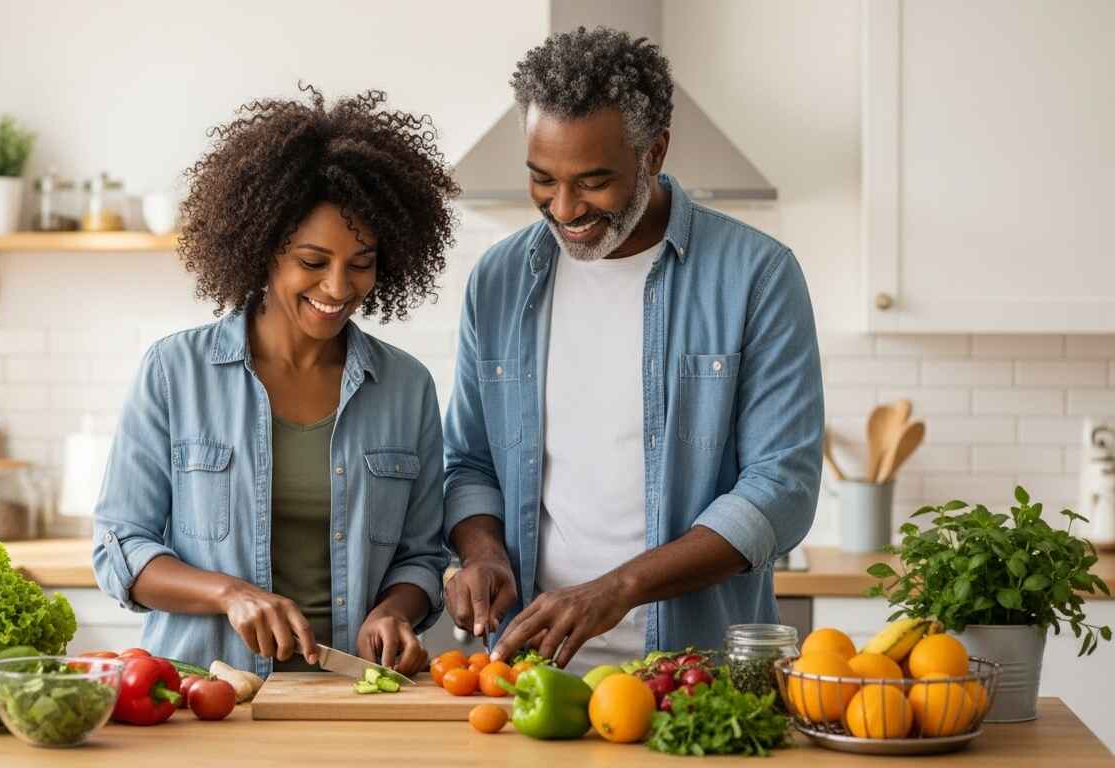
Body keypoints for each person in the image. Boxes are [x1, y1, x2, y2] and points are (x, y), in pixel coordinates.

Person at [442, 28, 824, 673]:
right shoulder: (500, 279)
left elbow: (781, 488)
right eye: (542, 179)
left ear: (655, 152)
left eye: (593, 182)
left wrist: (616, 590)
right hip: (528, 674)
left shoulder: (756, 275)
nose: (564, 208)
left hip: (697, 673)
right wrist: (482, 553)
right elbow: (470, 462)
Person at [93, 85, 459, 677]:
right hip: (208, 692)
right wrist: (229, 594)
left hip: (348, 695)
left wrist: (393, 611)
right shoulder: (174, 373)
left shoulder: (405, 387)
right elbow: (121, 549)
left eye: (361, 263)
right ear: (265, 250)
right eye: (313, 262)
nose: (339, 288)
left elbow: (421, 556)